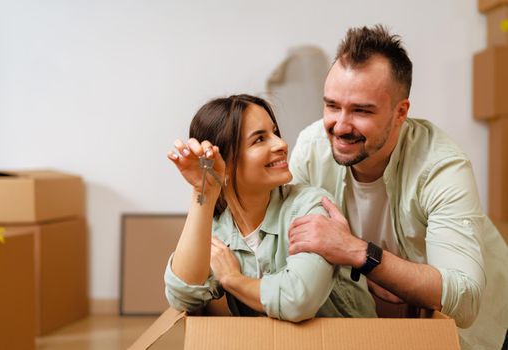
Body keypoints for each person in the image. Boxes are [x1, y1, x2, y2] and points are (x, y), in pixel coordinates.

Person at [288, 25, 508, 349]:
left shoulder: (442, 167)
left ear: (400, 112)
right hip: (381, 329)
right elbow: (283, 249)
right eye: (332, 106)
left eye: (361, 110)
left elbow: (464, 299)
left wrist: (359, 255)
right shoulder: (312, 148)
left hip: (482, 334)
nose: (341, 125)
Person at [164, 94, 376, 322]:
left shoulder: (311, 206)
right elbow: (182, 296)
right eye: (259, 139)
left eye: (274, 132)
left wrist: (233, 279)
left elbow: (296, 301)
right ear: (224, 163)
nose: (281, 144)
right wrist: (202, 191)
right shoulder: (219, 230)